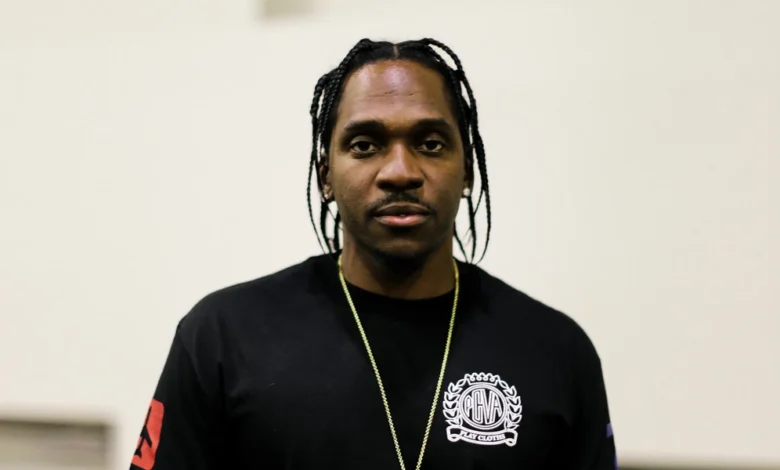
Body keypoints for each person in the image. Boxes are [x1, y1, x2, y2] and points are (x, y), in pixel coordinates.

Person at [129, 37, 618, 470]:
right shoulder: (222, 337)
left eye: (430, 143)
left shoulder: (556, 352)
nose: (400, 171)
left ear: (467, 170)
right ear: (325, 174)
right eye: (365, 145)